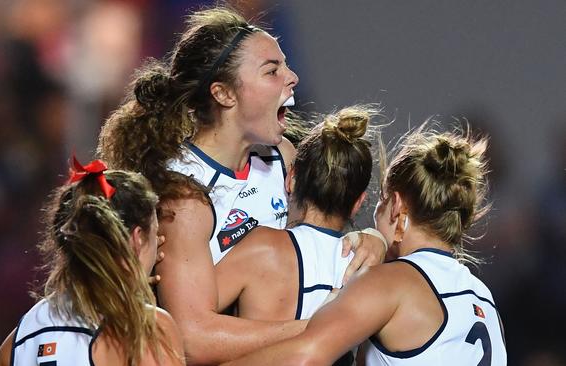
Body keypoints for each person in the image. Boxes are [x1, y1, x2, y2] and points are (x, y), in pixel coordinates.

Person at [97, 6, 386, 364]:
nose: (292, 77)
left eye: (286, 64)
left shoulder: (282, 155)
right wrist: (318, 326)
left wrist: (371, 240)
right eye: (272, 70)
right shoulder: (183, 195)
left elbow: (320, 233)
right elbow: (192, 338)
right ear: (224, 94)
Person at [223, 124, 508, 365]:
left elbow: (305, 357)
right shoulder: (483, 297)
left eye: (382, 200)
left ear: (396, 206)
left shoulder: (393, 282)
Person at [0, 158, 184, 366]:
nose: (158, 244)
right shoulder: (147, 330)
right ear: (137, 239)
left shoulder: (20, 340)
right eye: (155, 234)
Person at [215, 105, 384, 323]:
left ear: (291, 178)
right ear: (358, 203)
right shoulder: (367, 271)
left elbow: (191, 319)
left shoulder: (262, 247)